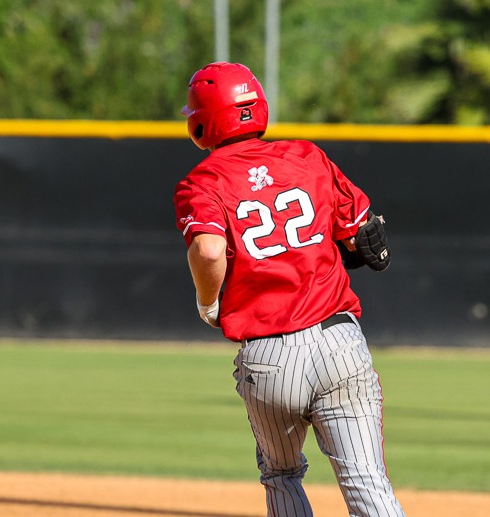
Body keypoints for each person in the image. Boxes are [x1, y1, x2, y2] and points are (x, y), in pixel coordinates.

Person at [173, 62, 405, 517]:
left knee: (281, 475)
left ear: (201, 121)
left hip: (271, 357)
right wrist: (362, 247)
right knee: (367, 482)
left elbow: (208, 252)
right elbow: (364, 236)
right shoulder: (306, 156)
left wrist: (207, 303)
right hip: (339, 342)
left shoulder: (203, 181)